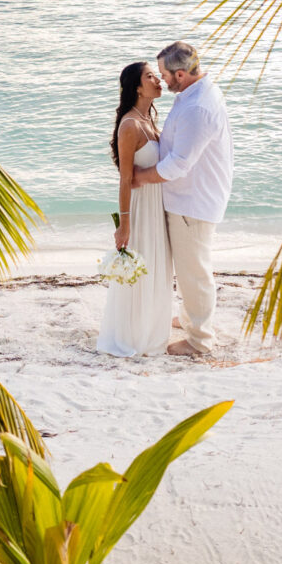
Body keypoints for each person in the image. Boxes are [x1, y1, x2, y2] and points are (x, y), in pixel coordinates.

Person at [132, 41, 233, 356]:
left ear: (180, 74)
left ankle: (199, 340)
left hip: (193, 201)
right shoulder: (194, 94)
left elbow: (177, 165)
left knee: (194, 271)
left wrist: (138, 177)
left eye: (163, 74)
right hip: (194, 196)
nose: (160, 80)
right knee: (191, 268)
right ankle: (190, 318)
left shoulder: (196, 107)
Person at [97, 62, 173, 357]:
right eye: (150, 76)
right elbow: (125, 179)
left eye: (157, 75)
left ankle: (153, 331)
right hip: (141, 208)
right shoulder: (130, 125)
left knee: (157, 267)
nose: (158, 80)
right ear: (137, 87)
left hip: (157, 205)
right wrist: (124, 224)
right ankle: (133, 336)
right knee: (141, 269)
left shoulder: (149, 121)